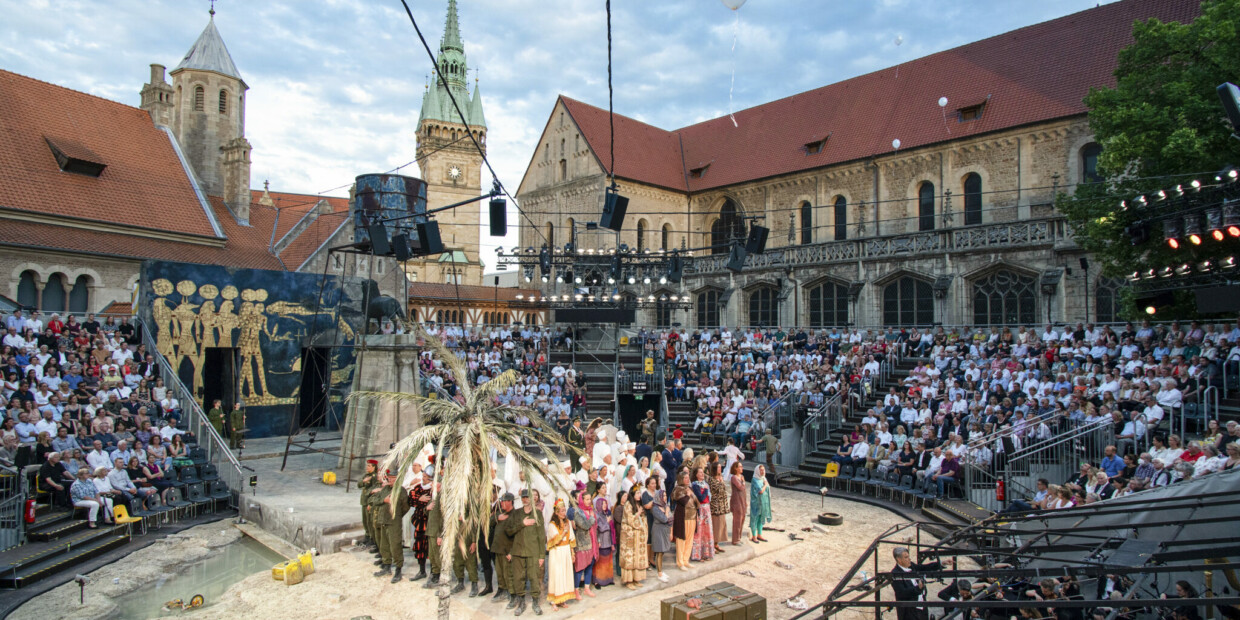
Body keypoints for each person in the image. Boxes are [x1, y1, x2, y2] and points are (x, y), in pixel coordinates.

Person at [505, 488, 547, 616]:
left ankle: (535, 602)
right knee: (519, 578)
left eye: (527, 497)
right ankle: (521, 602)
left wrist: (541, 555)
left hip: (533, 552)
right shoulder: (516, 514)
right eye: (523, 497)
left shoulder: (537, 514)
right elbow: (509, 531)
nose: (525, 499)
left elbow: (541, 536)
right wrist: (522, 524)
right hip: (518, 552)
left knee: (534, 578)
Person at [891, 546, 952, 620]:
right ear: (899, 559)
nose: (909, 559)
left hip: (922, 607)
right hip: (909, 611)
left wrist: (941, 564)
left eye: (908, 556)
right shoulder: (895, 573)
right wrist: (918, 588)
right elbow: (902, 593)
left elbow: (924, 568)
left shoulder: (912, 566)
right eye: (906, 557)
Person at [372, 469, 410, 583]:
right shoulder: (385, 489)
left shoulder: (401, 491)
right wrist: (384, 500)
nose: (391, 480)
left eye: (393, 478)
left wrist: (397, 516)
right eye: (389, 477)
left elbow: (405, 507)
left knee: (395, 545)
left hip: (394, 522)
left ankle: (398, 569)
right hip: (383, 520)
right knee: (384, 545)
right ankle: (386, 566)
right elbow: (374, 500)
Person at [545, 498, 576, 609]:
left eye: (564, 510)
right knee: (557, 575)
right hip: (557, 552)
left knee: (565, 574)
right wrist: (563, 532)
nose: (564, 513)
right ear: (556, 512)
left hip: (566, 551)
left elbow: (571, 538)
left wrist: (572, 553)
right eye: (561, 511)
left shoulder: (567, 522)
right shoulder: (552, 525)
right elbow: (553, 540)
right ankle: (554, 600)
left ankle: (562, 598)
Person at [619, 485, 648, 590]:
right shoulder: (628, 504)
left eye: (640, 493)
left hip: (638, 533)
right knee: (629, 558)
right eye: (637, 493)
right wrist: (638, 514)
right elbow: (629, 519)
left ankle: (636, 578)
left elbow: (643, 518)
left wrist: (643, 526)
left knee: (637, 556)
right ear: (633, 494)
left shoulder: (639, 504)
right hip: (630, 534)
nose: (639, 495)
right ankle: (628, 581)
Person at [571, 488, 598, 599]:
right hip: (582, 544)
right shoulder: (578, 512)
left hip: (592, 543)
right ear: (581, 500)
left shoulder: (591, 510)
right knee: (579, 568)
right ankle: (576, 590)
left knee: (589, 566)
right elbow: (585, 525)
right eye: (586, 499)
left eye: (589, 499)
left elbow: (595, 527)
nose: (588, 501)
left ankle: (587, 588)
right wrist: (591, 517)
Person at [670, 469, 698, 571]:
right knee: (681, 539)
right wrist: (687, 495)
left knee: (690, 539)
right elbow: (682, 501)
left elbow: (697, 503)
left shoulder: (690, 488)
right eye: (685, 478)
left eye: (688, 478)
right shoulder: (677, 489)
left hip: (692, 516)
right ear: (681, 479)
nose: (687, 479)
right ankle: (680, 562)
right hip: (683, 517)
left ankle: (686, 560)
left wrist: (691, 494)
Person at [490, 491, 516, 602]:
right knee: (499, 572)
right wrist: (497, 518)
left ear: (510, 502)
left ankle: (512, 594)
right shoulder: (499, 513)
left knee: (508, 573)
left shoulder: (515, 515)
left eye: (504, 501)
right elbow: (490, 522)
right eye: (501, 501)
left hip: (507, 550)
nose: (501, 503)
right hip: (497, 548)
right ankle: (501, 590)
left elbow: (517, 536)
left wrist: (512, 552)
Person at [408, 470, 433, 581]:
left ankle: (434, 572)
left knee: (431, 547)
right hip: (419, 522)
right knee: (419, 546)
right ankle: (422, 571)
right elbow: (411, 499)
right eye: (423, 476)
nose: (423, 478)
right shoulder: (418, 487)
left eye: (425, 476)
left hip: (430, 523)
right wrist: (419, 499)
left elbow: (430, 503)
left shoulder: (433, 490)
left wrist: (420, 502)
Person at [648, 478, 673, 582]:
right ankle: (659, 573)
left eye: (666, 495)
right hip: (658, 531)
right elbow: (664, 519)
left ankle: (661, 571)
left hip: (665, 531)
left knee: (662, 552)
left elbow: (671, 518)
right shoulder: (655, 508)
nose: (665, 497)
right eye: (663, 496)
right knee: (658, 552)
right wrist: (667, 512)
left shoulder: (665, 506)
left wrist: (671, 531)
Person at [423, 482, 445, 589]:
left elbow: (444, 518)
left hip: (437, 532)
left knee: (438, 556)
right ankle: (436, 575)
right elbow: (427, 512)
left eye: (434, 484)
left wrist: (440, 535)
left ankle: (443, 579)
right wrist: (427, 508)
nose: (431, 485)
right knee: (432, 556)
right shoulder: (434, 497)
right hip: (430, 530)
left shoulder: (443, 498)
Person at [592, 490, 615, 588]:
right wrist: (607, 522)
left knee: (608, 560)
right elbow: (600, 528)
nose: (605, 505)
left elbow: (611, 528)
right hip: (601, 540)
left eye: (606, 504)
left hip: (608, 540)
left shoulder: (606, 514)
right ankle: (598, 581)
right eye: (603, 504)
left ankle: (608, 579)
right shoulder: (596, 515)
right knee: (600, 561)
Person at [708, 462, 728, 553]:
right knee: (715, 525)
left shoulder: (721, 478)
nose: (720, 469)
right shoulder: (712, 479)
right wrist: (720, 482)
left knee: (721, 525)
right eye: (718, 468)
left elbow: (724, 490)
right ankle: (713, 544)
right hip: (715, 505)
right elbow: (718, 490)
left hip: (722, 505)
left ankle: (717, 543)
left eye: (720, 467)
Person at [358, 459, 378, 550]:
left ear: (374, 467)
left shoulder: (374, 477)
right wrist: (364, 481)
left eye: (369, 466)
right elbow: (359, 484)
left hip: (369, 501)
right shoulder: (366, 475)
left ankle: (371, 537)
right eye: (367, 465)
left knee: (370, 521)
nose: (367, 467)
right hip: (364, 501)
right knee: (365, 520)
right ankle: (367, 535)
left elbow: (374, 489)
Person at [749, 464, 772, 542]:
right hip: (756, 502)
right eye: (761, 470)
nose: (762, 472)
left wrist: (765, 484)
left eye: (763, 470)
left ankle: (759, 534)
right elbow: (760, 490)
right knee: (755, 519)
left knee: (761, 518)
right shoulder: (755, 479)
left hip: (763, 502)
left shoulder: (763, 478)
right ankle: (754, 536)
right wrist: (765, 484)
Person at [728, 461, 747, 545]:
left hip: (742, 500)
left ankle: (739, 537)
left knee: (742, 519)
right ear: (735, 468)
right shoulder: (734, 478)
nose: (741, 468)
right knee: (737, 520)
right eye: (739, 467)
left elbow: (744, 490)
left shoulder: (741, 476)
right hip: (737, 501)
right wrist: (743, 482)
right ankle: (735, 539)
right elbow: (740, 487)